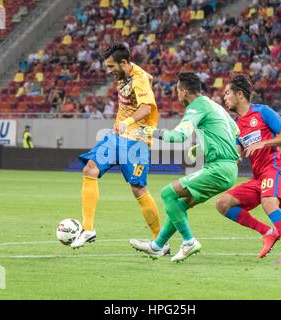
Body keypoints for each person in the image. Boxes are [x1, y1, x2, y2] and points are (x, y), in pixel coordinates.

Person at [130, 72, 240, 263]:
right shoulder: (214, 105)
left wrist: (151, 132)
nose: (177, 96)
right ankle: (157, 246)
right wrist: (202, 145)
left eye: (177, 91)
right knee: (179, 205)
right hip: (228, 168)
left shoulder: (196, 107)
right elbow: (236, 130)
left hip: (219, 168)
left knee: (167, 194)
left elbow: (179, 136)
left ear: (183, 91)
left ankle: (189, 241)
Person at [71, 43, 163, 249]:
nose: (109, 71)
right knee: (90, 169)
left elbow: (147, 107)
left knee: (138, 188)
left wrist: (127, 122)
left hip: (136, 140)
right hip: (117, 137)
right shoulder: (129, 72)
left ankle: (160, 241)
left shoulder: (138, 79)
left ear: (123, 63)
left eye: (111, 67)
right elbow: (150, 78)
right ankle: (88, 229)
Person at [216, 74, 281, 264]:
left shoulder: (263, 112)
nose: (224, 97)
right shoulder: (237, 126)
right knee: (222, 204)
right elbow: (236, 154)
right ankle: (268, 232)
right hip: (258, 178)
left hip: (275, 167)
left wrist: (263, 144)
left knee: (269, 202)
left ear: (240, 95)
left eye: (227, 93)